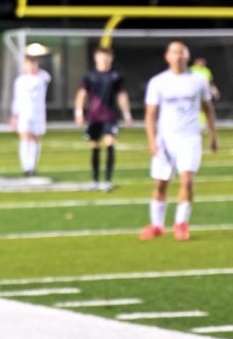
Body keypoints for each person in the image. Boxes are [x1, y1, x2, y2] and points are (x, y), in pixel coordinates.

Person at [140, 40, 217, 241]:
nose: (178, 56)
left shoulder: (198, 80)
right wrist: (151, 140)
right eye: (174, 52)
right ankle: (157, 225)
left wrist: (213, 135)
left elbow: (207, 108)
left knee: (187, 181)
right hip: (166, 139)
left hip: (190, 138)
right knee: (160, 184)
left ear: (187, 56)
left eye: (182, 52)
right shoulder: (158, 82)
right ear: (167, 56)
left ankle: (181, 223)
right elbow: (150, 114)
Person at [73, 47, 133, 190]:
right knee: (94, 146)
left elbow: (122, 95)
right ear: (96, 58)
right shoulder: (90, 75)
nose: (104, 59)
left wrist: (127, 114)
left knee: (110, 143)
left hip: (110, 117)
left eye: (107, 56)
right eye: (101, 56)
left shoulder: (116, 76)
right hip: (93, 117)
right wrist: (79, 113)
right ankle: (95, 180)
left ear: (111, 58)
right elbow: (82, 94)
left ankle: (107, 180)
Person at [10, 48, 51, 175]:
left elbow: (47, 76)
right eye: (28, 64)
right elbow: (16, 99)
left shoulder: (42, 77)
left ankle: (32, 166)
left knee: (35, 139)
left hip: (39, 113)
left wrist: (32, 60)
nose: (31, 67)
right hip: (25, 113)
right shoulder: (20, 81)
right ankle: (26, 166)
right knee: (25, 137)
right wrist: (14, 115)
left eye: (33, 64)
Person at [189, 56, 220, 130]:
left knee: (206, 108)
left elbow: (209, 82)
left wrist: (215, 91)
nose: (202, 63)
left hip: (204, 93)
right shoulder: (191, 70)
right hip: (193, 93)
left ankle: (205, 125)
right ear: (196, 62)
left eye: (203, 61)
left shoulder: (206, 70)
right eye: (200, 61)